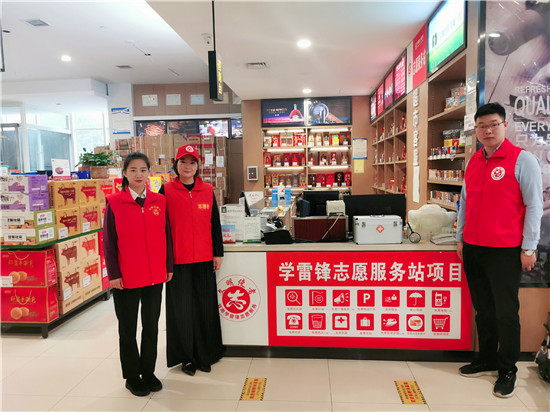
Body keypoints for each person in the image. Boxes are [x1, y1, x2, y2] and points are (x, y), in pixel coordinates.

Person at [456, 102, 543, 398]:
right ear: (476, 130)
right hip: (474, 247)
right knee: (483, 309)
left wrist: (529, 247)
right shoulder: (474, 161)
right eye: (482, 126)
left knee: (506, 312)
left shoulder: (522, 160)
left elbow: (534, 206)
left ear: (505, 125)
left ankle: (507, 369)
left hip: (505, 250)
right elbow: (465, 202)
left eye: (493, 124)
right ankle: (487, 359)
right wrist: (460, 237)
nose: (488, 131)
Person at [103, 152, 173, 397]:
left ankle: (148, 371)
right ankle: (132, 376)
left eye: (143, 170)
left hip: (155, 275)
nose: (139, 174)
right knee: (128, 328)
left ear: (149, 173)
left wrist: (169, 266)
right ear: (125, 173)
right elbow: (109, 243)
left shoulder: (159, 201)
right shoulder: (114, 202)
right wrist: (113, 274)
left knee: (151, 326)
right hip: (126, 278)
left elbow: (167, 236)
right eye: (133, 170)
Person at [160, 144, 224, 376]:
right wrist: (164, 260)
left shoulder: (207, 190)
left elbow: (214, 223)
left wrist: (218, 253)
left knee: (205, 309)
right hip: (178, 262)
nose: (187, 166)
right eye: (183, 162)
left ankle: (206, 354)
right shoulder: (165, 190)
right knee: (182, 312)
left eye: (192, 162)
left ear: (198, 166)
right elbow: (160, 227)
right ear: (175, 164)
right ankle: (186, 357)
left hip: (205, 260)